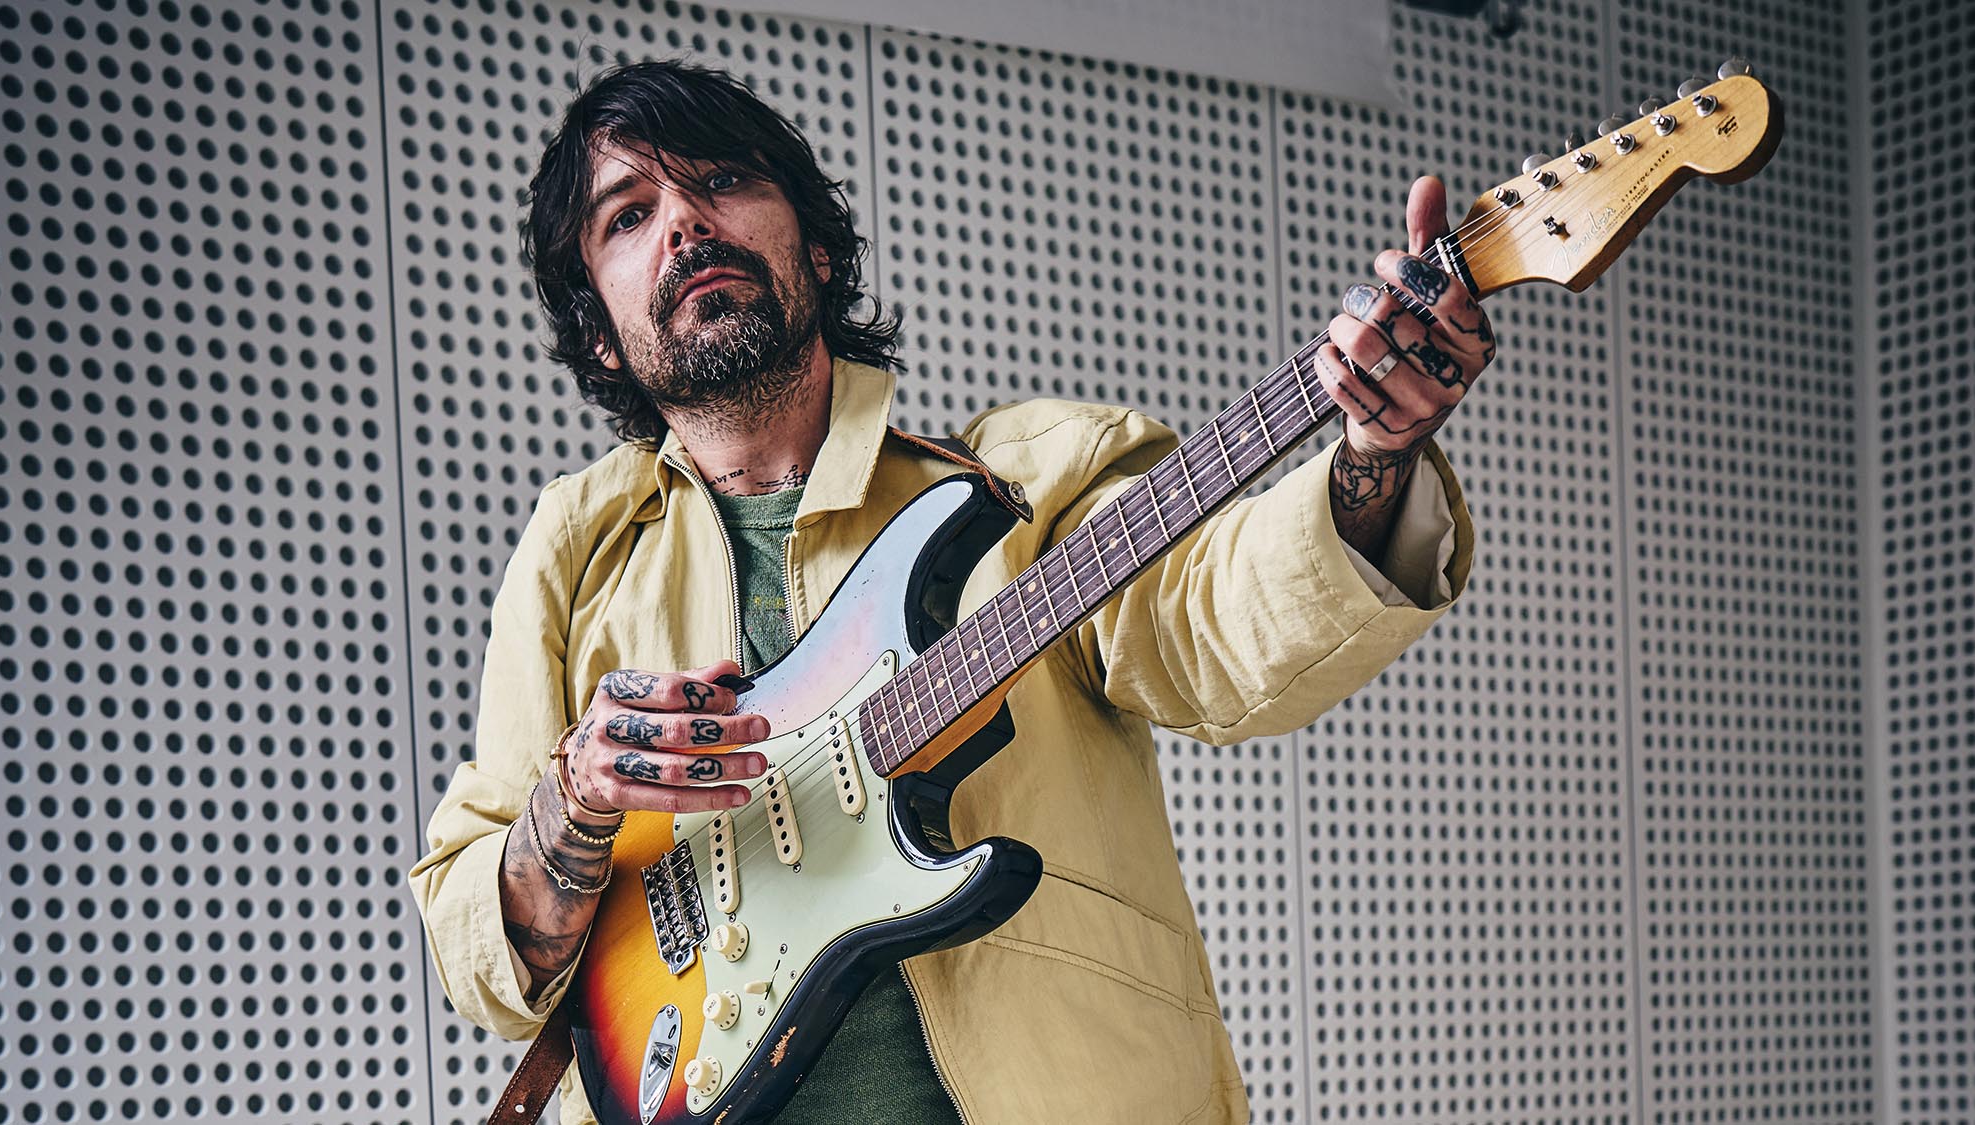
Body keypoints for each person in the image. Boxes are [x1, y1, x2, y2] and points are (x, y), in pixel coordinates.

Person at [410, 58, 1488, 1125]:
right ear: (600, 334)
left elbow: (1213, 624)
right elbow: (473, 941)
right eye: (629, 216)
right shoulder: (577, 552)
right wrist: (575, 802)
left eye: (723, 180)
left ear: (817, 247)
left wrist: (1373, 457)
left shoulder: (1025, 486)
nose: (686, 221)